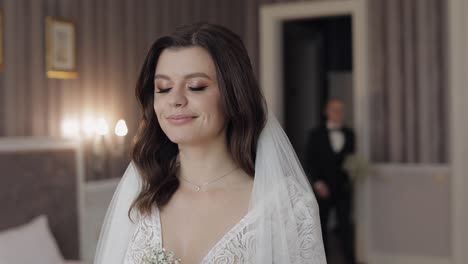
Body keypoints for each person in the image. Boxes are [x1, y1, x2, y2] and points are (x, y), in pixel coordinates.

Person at [94, 23, 326, 264]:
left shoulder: (288, 206)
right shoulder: (140, 195)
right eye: (163, 88)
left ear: (233, 94)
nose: (175, 100)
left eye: (196, 86)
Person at [305, 98, 356, 264]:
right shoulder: (315, 134)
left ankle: (350, 259)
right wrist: (318, 183)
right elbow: (309, 160)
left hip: (343, 188)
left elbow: (352, 160)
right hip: (322, 188)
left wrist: (353, 171)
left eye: (341, 110)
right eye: (335, 109)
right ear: (327, 112)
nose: (339, 113)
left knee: (345, 226)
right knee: (321, 226)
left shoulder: (350, 134)